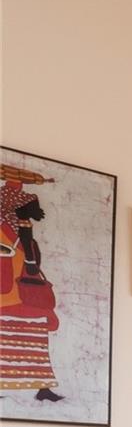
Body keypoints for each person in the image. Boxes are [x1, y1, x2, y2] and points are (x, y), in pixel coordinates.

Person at [1, 170, 64, 402]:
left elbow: (32, 262)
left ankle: (42, 387)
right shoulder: (7, 233)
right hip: (8, 296)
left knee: (35, 342)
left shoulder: (24, 235)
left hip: (27, 296)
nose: (36, 212)